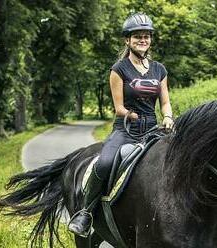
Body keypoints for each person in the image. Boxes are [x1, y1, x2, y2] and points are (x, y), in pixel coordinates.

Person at [68, 13, 174, 237]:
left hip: (153, 131)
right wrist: (132, 115)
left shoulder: (159, 70)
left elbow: (165, 102)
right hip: (126, 130)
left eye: (146, 36)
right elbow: (119, 108)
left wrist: (168, 117)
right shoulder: (119, 69)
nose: (142, 40)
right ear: (127, 40)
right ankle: (85, 213)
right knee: (104, 164)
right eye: (137, 37)